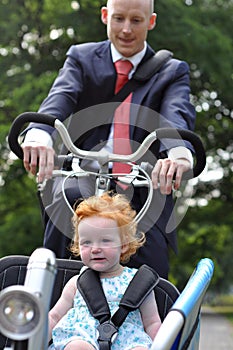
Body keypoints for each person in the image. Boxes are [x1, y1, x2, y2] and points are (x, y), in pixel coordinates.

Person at [21, 0, 196, 278]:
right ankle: (49, 304)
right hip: (82, 174)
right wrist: (39, 135)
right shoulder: (82, 58)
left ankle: (150, 318)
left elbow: (176, 114)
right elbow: (60, 98)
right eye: (119, 19)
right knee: (66, 207)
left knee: (151, 262)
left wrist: (178, 153)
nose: (126, 29)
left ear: (151, 21)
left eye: (136, 21)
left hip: (142, 183)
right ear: (105, 16)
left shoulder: (171, 71)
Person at [48, 192, 161, 350]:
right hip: (82, 337)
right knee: (77, 347)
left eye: (105, 241)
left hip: (127, 342)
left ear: (123, 244)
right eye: (86, 242)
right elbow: (55, 316)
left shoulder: (138, 283)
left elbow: (152, 323)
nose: (95, 249)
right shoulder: (77, 283)